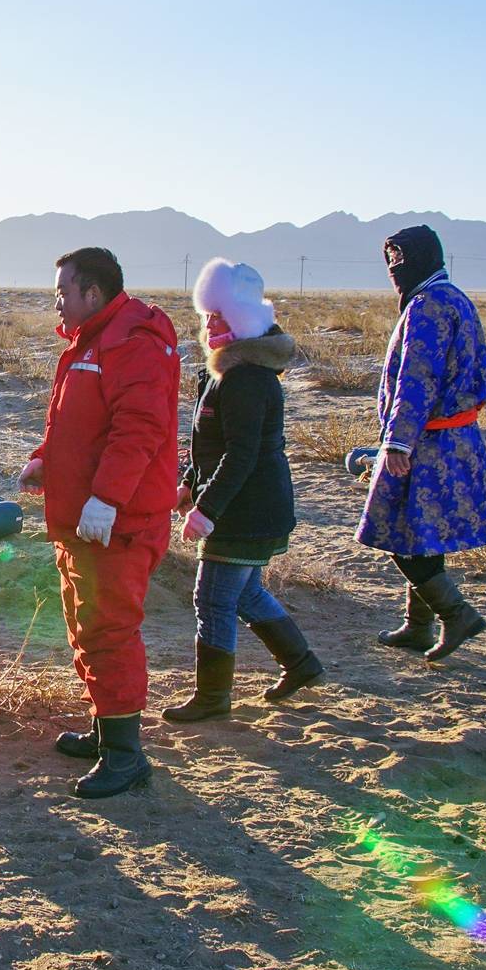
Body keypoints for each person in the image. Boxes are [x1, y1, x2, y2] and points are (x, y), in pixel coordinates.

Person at [18, 247, 180, 799]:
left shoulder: (133, 343)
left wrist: (107, 498)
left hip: (119, 522)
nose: (56, 304)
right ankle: (105, 727)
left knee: (109, 629)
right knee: (85, 624)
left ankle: (126, 755)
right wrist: (46, 458)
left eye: (63, 292)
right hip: (84, 518)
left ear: (93, 293)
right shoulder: (92, 342)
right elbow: (73, 421)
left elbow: (140, 428)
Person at [164, 260, 326, 721]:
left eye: (221, 315)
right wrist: (190, 486)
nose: (210, 323)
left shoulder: (248, 379)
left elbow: (242, 456)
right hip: (244, 506)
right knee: (247, 593)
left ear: (244, 321)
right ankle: (301, 664)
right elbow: (210, 447)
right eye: (207, 315)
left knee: (213, 597)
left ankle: (212, 698)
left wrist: (206, 509)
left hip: (247, 510)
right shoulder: (224, 373)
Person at [358, 225, 486, 662]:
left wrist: (398, 441)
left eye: (401, 260)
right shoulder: (453, 298)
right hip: (454, 437)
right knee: (421, 534)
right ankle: (417, 627)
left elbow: (417, 378)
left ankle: (455, 615)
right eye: (390, 261)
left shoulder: (429, 305)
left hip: (429, 441)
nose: (395, 270)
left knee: (397, 531)